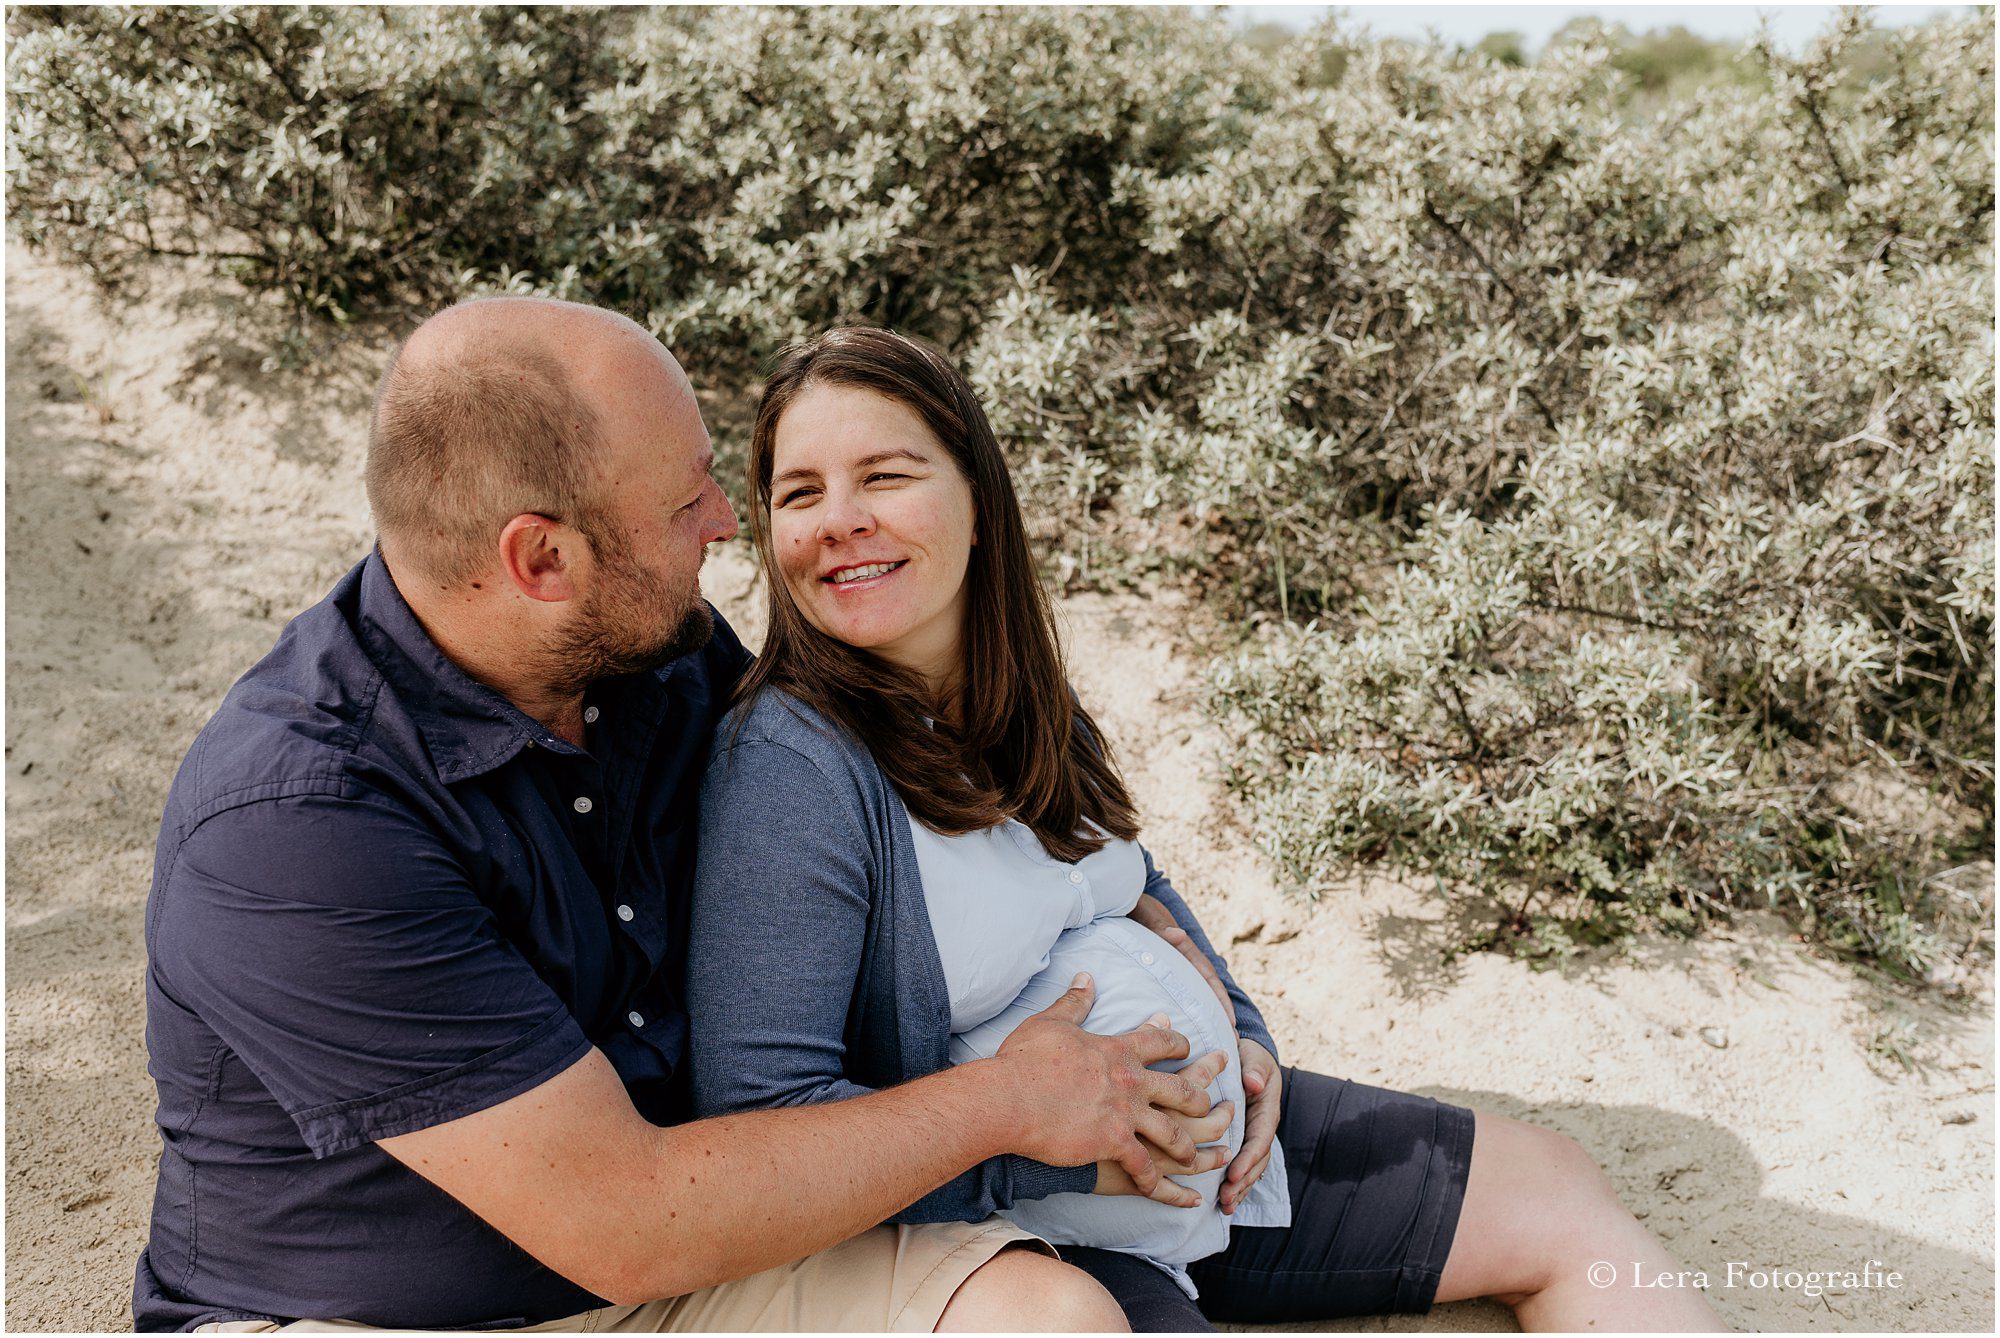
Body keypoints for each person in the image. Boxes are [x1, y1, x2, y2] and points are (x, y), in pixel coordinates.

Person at [135, 296, 1241, 1333]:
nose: (724, 522)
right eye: (684, 503)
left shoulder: (654, 657)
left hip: (696, 1254)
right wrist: (1004, 1105)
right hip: (383, 1312)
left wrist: (1193, 983)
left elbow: (922, 806)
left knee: (1056, 1321)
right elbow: (621, 1218)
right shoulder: (300, 826)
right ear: (541, 558)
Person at [686, 326, 1732, 1332]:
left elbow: (1127, 877)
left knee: (1553, 1190)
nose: (838, 519)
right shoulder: (794, 765)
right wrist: (1052, 1153)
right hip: (1028, 1236)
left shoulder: (1012, 692)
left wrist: (1239, 1033)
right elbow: (770, 1126)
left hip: (1204, 1163)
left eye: (883, 475)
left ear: (976, 498)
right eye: (799, 492)